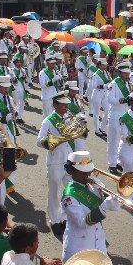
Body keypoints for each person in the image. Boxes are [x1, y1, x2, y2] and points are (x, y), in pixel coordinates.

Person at [37, 91, 84, 234]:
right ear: (55, 104)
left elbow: (79, 136)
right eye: (63, 105)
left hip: (69, 161)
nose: (66, 107)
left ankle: (64, 217)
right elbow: (39, 140)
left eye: (66, 105)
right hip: (56, 161)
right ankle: (54, 219)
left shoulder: (70, 118)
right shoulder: (48, 121)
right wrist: (50, 142)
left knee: (69, 190)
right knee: (54, 191)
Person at [62, 151, 120, 261]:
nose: (87, 175)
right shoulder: (69, 196)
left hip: (98, 242)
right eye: (82, 172)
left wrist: (112, 198)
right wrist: (104, 206)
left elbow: (113, 205)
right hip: (79, 247)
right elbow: (82, 222)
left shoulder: (92, 185)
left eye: (88, 171)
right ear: (70, 170)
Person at [106, 62, 133, 175]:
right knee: (113, 141)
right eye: (125, 73)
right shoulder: (114, 84)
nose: (127, 76)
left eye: (128, 73)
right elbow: (110, 99)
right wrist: (123, 100)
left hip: (124, 115)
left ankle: (118, 161)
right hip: (115, 116)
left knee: (123, 140)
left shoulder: (127, 84)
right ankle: (112, 164)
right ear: (119, 73)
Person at [90, 57, 111, 136]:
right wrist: (105, 85)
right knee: (96, 113)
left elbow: (110, 81)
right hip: (97, 94)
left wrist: (109, 83)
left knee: (107, 111)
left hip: (105, 94)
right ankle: (96, 129)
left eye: (105, 65)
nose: (105, 66)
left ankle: (102, 128)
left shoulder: (107, 73)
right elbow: (94, 85)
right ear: (99, 65)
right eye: (103, 65)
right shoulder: (96, 74)